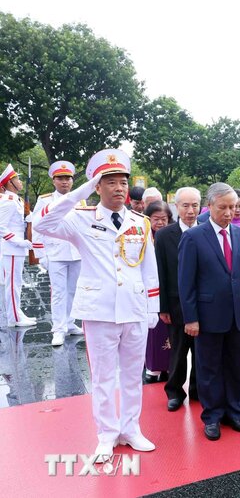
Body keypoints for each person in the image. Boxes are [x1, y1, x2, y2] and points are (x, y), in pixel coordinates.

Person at [35, 149, 159, 461]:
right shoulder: (80, 219)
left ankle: (130, 429)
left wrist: (152, 307)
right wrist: (80, 190)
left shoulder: (140, 223)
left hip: (132, 308)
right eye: (111, 182)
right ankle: (106, 434)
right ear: (97, 187)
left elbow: (148, 267)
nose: (119, 188)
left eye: (123, 182)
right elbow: (43, 224)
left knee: (133, 375)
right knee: (103, 377)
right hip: (99, 311)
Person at [178, 183, 240, 441]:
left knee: (234, 366)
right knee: (209, 368)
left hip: (238, 312)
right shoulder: (193, 237)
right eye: (222, 207)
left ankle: (235, 412)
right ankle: (211, 416)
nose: (229, 212)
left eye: (233, 207)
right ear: (210, 206)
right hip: (207, 315)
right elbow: (186, 283)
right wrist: (190, 318)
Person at [155, 187, 201, 412]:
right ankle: (174, 391)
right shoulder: (164, 235)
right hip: (175, 303)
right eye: (185, 205)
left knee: (202, 351)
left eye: (195, 205)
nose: (191, 211)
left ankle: (197, 390)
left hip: (204, 303)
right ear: (176, 206)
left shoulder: (207, 231)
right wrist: (162, 307)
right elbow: (161, 274)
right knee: (178, 350)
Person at [32, 161, 83, 345]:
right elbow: (36, 228)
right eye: (60, 178)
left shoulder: (79, 200)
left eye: (68, 178)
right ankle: (58, 329)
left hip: (76, 253)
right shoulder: (45, 200)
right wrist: (41, 255)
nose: (65, 182)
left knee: (73, 291)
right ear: (53, 180)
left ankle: (69, 323)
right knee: (59, 292)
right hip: (55, 252)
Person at [0, 165, 37, 328]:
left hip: (16, 249)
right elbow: (1, 226)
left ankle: (17, 313)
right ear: (9, 183)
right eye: (17, 179)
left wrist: (27, 220)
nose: (20, 182)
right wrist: (19, 242)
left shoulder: (17, 200)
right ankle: (14, 318)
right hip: (12, 249)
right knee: (13, 284)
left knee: (17, 283)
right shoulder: (8, 202)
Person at [142, 201, 174, 384]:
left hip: (168, 289)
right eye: (156, 219)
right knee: (152, 330)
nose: (160, 223)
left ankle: (169, 366)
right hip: (150, 290)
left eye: (164, 219)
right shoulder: (143, 235)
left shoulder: (172, 235)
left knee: (170, 331)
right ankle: (153, 367)